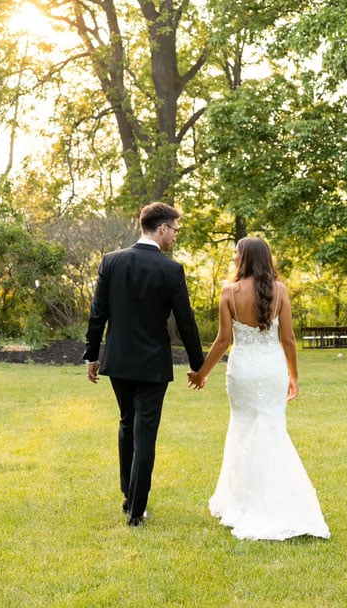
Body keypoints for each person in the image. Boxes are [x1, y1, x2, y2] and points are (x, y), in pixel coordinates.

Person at [189, 236, 330, 541]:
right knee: (273, 430)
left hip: (243, 372)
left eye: (236, 254)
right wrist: (294, 376)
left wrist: (202, 373)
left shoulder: (230, 292)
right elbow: (289, 339)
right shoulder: (280, 291)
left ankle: (240, 502)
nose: (234, 258)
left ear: (246, 258)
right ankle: (283, 502)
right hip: (271, 370)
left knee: (243, 429)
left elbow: (223, 340)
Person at [84, 202, 205, 527]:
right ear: (162, 228)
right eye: (175, 230)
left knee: (127, 424)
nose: (176, 237)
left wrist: (92, 355)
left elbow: (98, 313)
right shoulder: (171, 270)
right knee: (145, 434)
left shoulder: (112, 262)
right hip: (152, 366)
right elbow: (185, 322)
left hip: (119, 361)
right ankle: (136, 510)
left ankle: (129, 496)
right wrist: (199, 365)